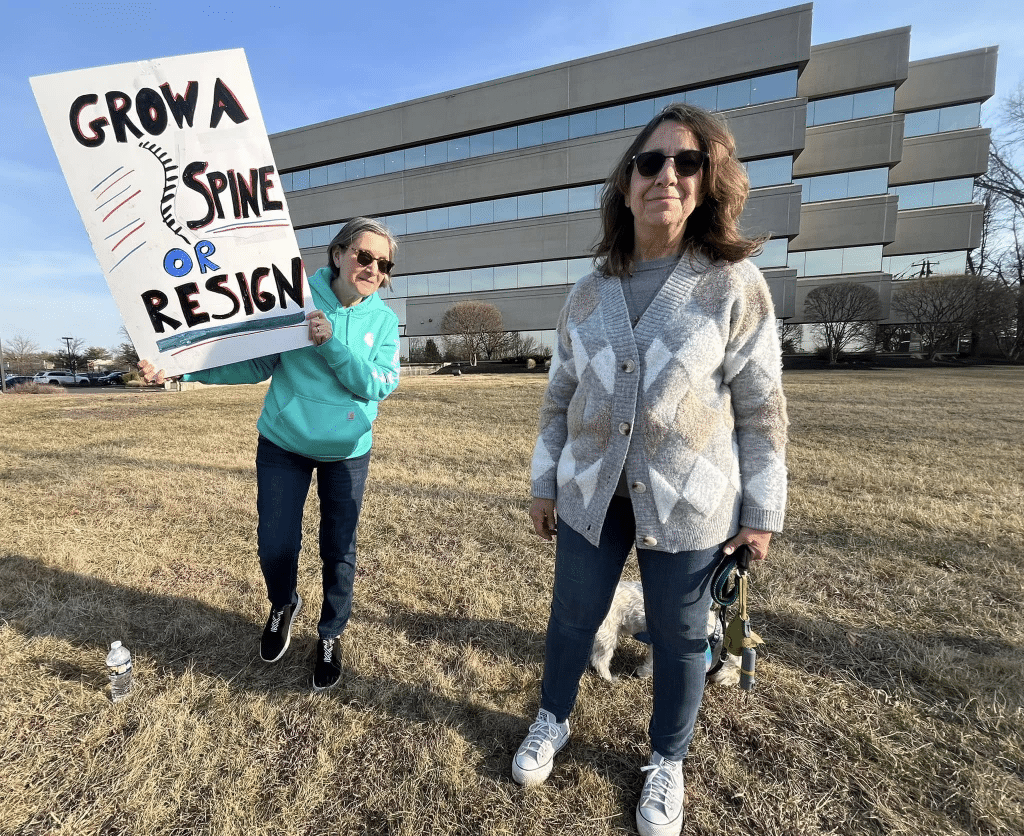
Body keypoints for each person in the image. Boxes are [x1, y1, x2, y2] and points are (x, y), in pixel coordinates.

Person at [512, 104, 788, 836]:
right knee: (572, 615)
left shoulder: (733, 283)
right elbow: (557, 400)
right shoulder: (587, 292)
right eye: (651, 161)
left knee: (680, 632)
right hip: (588, 492)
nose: (667, 174)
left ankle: (667, 758)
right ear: (627, 181)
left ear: (708, 182)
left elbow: (762, 410)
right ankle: (552, 717)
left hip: (693, 498)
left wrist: (762, 510)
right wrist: (544, 482)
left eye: (687, 162)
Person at [140, 217, 401, 691]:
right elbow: (255, 362)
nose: (372, 269)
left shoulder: (382, 320)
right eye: (364, 256)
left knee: (339, 548)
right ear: (339, 254)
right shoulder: (292, 298)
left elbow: (379, 384)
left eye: (383, 264)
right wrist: (179, 371)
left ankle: (330, 633)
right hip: (284, 441)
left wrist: (332, 346)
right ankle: (283, 602)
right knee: (275, 542)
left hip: (347, 450)